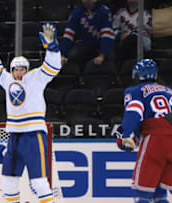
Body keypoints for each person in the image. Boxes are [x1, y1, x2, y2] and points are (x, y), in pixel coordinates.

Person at [0, 22, 61, 203]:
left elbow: (53, 67)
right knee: (8, 181)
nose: (19, 72)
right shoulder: (8, 80)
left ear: (27, 69)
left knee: (39, 183)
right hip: (14, 135)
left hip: (33, 135)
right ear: (12, 70)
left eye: (22, 68)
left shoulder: (36, 78)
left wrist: (52, 47)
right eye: (16, 69)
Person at [115, 59, 172, 203]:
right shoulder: (169, 91)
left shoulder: (134, 91)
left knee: (142, 192)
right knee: (160, 190)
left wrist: (124, 135)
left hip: (155, 139)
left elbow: (133, 113)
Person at [60, 0, 115, 68]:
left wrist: (102, 55)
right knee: (72, 56)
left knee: (110, 57)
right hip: (84, 43)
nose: (88, 2)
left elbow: (107, 34)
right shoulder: (76, 12)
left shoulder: (104, 11)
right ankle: (80, 77)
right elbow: (68, 34)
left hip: (101, 44)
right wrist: (62, 55)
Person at [113, 0, 152, 65]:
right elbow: (113, 28)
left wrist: (128, 35)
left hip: (142, 41)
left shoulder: (146, 14)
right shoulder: (120, 13)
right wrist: (120, 35)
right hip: (123, 41)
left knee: (132, 38)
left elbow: (146, 31)